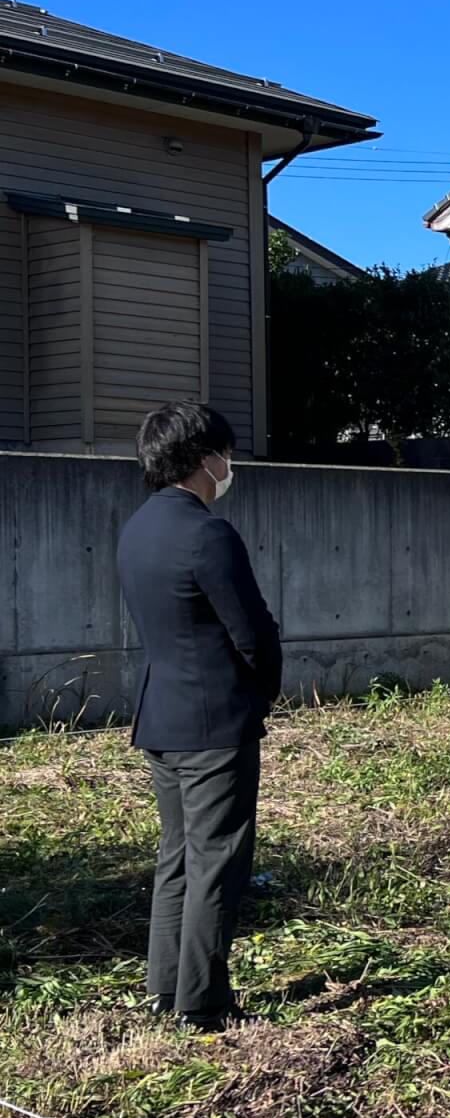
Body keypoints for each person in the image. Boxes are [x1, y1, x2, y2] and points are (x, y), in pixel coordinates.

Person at [116, 402, 282, 1032]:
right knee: (217, 860)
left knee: (178, 856)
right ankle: (204, 1003)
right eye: (225, 454)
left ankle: (165, 989)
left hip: (161, 715)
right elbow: (253, 631)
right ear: (203, 457)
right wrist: (262, 693)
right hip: (215, 722)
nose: (228, 465)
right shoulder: (208, 533)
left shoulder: (137, 529)